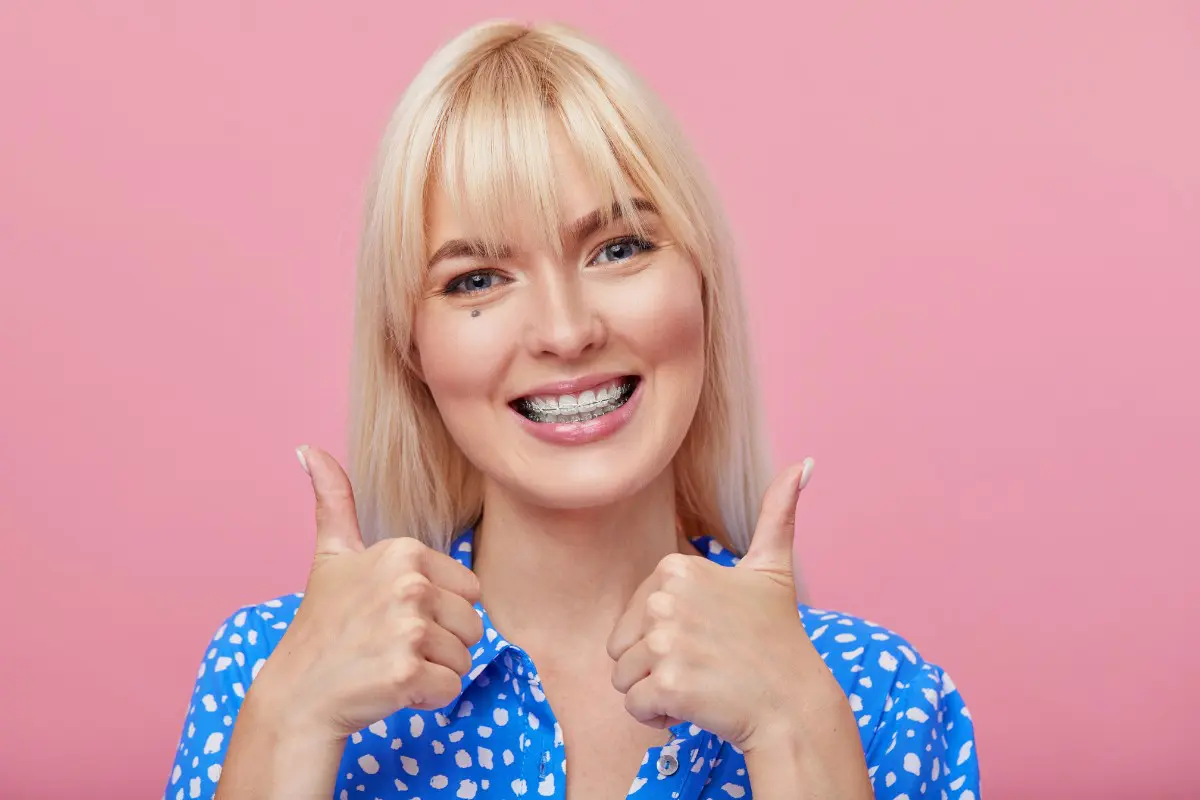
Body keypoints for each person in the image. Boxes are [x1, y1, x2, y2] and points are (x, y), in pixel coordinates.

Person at [164, 19, 981, 800]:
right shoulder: (267, 674)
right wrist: (291, 723)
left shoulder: (883, 700)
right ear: (413, 352)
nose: (565, 331)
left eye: (619, 247)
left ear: (702, 286)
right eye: (476, 279)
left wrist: (797, 728)